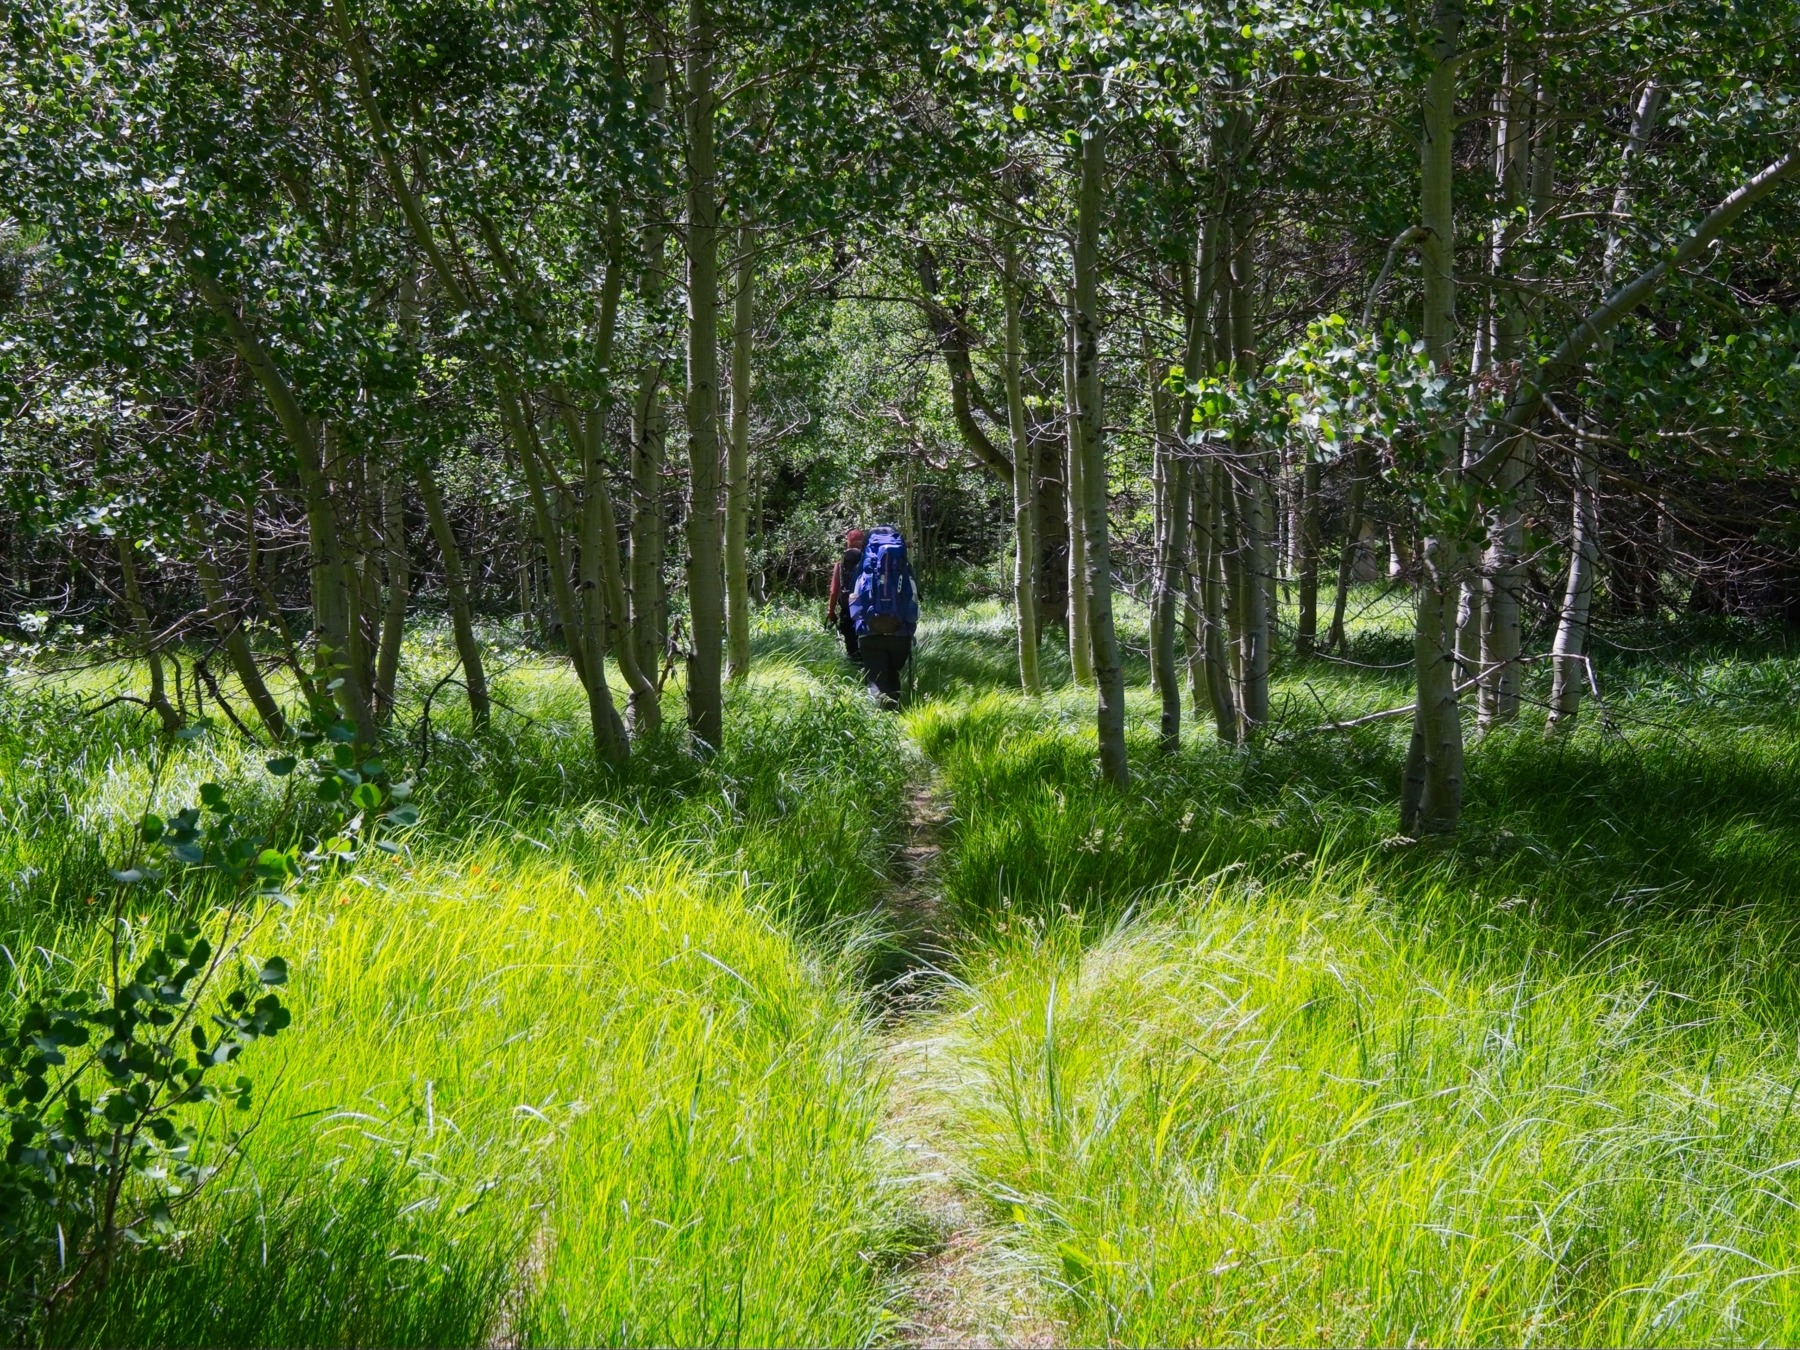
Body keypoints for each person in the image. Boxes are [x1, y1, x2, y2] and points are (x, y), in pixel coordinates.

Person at [848, 524, 919, 707]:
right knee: (893, 673)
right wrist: (909, 627)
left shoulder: (864, 566)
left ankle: (877, 717)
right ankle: (893, 712)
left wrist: (859, 625)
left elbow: (853, 598)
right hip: (900, 633)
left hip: (869, 633)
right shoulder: (903, 566)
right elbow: (913, 598)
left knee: (876, 678)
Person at [825, 527, 867, 662]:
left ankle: (854, 662)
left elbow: (834, 590)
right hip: (867, 608)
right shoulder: (869, 561)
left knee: (852, 649)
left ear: (848, 542)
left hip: (847, 608)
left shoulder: (841, 563)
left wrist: (831, 611)